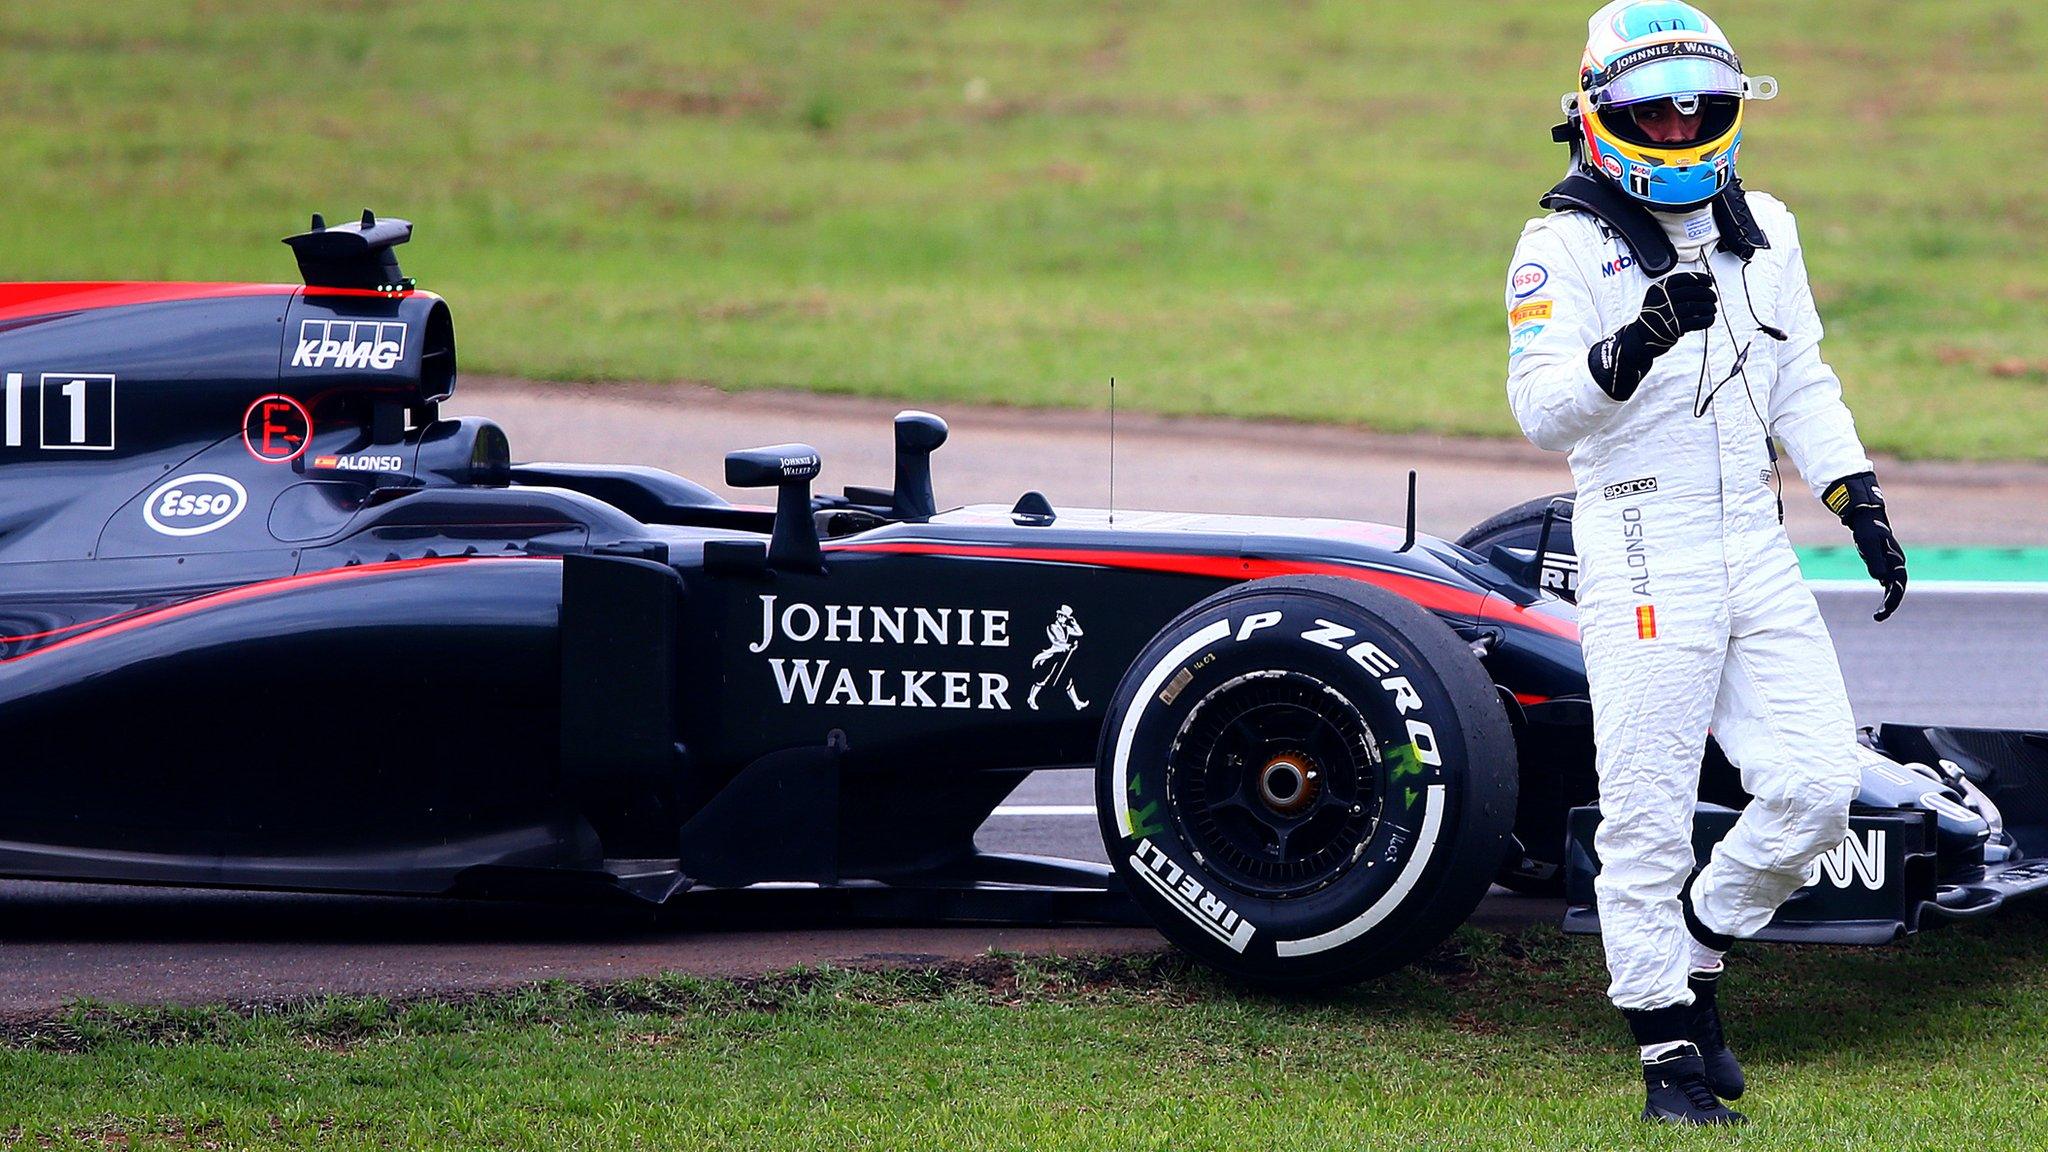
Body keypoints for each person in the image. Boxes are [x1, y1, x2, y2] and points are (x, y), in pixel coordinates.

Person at [1503, 0, 1909, 1126]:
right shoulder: (1559, 246)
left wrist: (1853, 491)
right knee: (1645, 810)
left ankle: (1696, 945)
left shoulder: (1767, 225)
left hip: (1755, 542)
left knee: (1817, 784)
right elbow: (1542, 413)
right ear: (1597, 117)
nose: (1680, 135)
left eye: (1701, 114)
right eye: (1654, 117)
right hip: (1640, 542)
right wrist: (1629, 345)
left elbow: (1802, 379)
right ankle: (1666, 1052)